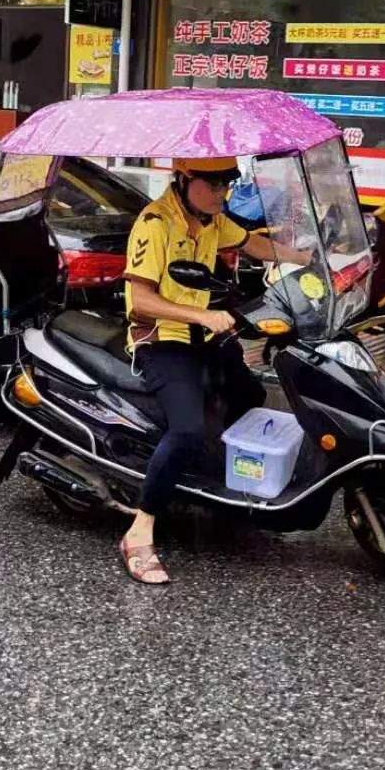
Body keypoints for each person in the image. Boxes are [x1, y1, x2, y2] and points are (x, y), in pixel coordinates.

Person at [119, 156, 312, 585]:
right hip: (162, 340)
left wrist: (307, 258)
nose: (223, 193)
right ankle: (140, 529)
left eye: (228, 183)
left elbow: (253, 244)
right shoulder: (154, 223)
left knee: (251, 395)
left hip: (201, 338)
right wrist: (201, 316)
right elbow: (141, 301)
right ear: (185, 180)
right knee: (185, 429)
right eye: (214, 184)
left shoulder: (211, 218)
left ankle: (217, 482)